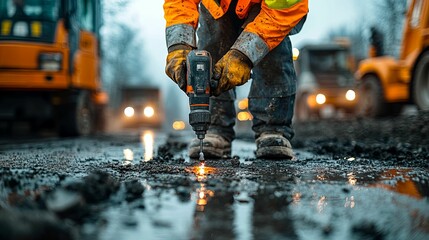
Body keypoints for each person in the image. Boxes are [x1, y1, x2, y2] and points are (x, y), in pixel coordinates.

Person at [164, 0, 308, 159]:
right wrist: (179, 46)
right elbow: (180, 3)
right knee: (214, 39)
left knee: (272, 46)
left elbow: (283, 9)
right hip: (218, 5)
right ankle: (215, 127)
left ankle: (273, 129)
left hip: (270, 8)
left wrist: (242, 56)